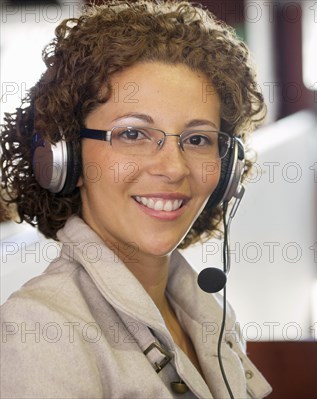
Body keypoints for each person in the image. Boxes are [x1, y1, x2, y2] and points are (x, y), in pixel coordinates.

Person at [0, 1, 271, 398]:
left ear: (226, 168)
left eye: (198, 139)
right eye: (133, 134)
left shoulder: (209, 315)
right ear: (65, 156)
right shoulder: (40, 328)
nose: (174, 168)